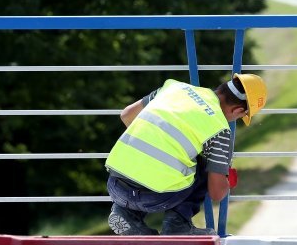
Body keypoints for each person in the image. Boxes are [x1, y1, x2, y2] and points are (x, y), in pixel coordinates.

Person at [105, 73, 267, 235]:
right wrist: (226, 180)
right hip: (156, 198)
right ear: (238, 110)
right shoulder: (219, 128)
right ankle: (177, 225)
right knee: (205, 166)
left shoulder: (173, 88)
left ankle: (125, 213)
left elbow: (126, 115)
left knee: (147, 171)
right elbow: (217, 193)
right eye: (242, 116)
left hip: (115, 186)